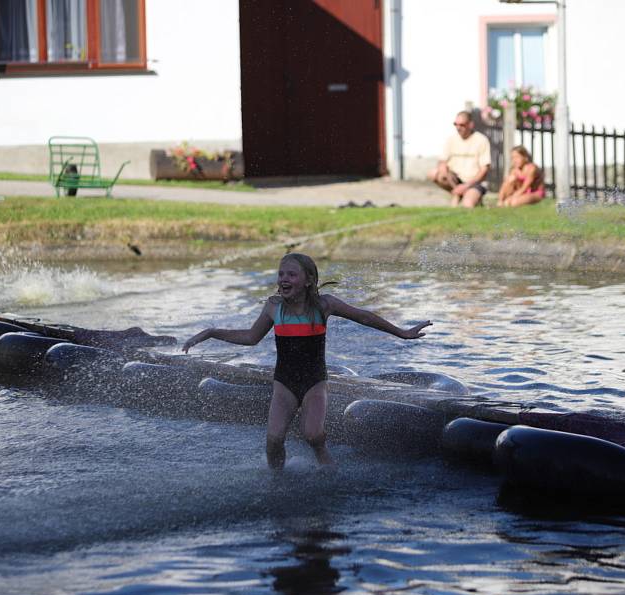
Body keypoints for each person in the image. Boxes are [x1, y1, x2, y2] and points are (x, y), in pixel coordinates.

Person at [182, 253, 432, 470]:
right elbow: (251, 337)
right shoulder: (274, 307)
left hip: (314, 382)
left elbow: (364, 317)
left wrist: (402, 332)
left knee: (313, 435)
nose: (283, 279)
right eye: (281, 274)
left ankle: (327, 471)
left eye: (291, 274)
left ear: (309, 280)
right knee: (274, 439)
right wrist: (212, 332)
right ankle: (276, 478)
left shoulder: (324, 305)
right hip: (284, 383)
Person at [427, 110, 492, 208]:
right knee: (434, 173)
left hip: (474, 182)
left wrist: (466, 186)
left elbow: (484, 170)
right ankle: (457, 193)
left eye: (462, 125)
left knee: (467, 205)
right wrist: (443, 169)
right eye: (455, 124)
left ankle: (468, 196)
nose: (458, 128)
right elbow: (442, 161)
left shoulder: (481, 140)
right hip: (455, 180)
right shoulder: (451, 140)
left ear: (470, 124)